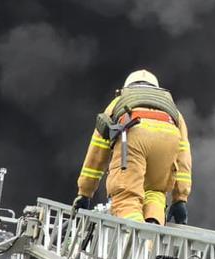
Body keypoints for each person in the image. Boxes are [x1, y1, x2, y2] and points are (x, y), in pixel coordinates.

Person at [73, 69, 192, 226]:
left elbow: (97, 151)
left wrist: (85, 192)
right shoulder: (173, 110)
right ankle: (151, 234)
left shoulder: (120, 102)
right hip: (168, 138)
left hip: (134, 135)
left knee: (126, 198)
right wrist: (180, 199)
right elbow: (183, 156)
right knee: (155, 193)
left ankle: (139, 241)